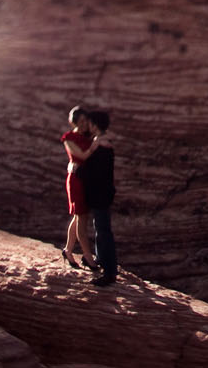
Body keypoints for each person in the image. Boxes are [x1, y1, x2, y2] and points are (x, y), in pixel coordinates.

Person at [60, 105, 100, 271]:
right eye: (81, 121)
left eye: (86, 121)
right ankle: (89, 258)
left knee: (78, 217)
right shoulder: (69, 138)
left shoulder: (88, 137)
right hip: (76, 180)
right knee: (81, 218)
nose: (84, 124)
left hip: (86, 179)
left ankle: (68, 250)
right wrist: (96, 144)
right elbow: (81, 156)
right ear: (74, 122)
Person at [80, 109, 117, 286]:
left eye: (91, 123)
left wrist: (78, 171)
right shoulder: (102, 142)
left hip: (100, 194)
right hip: (102, 193)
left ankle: (109, 272)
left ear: (95, 125)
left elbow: (97, 172)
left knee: (103, 232)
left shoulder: (102, 145)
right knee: (100, 229)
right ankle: (102, 261)